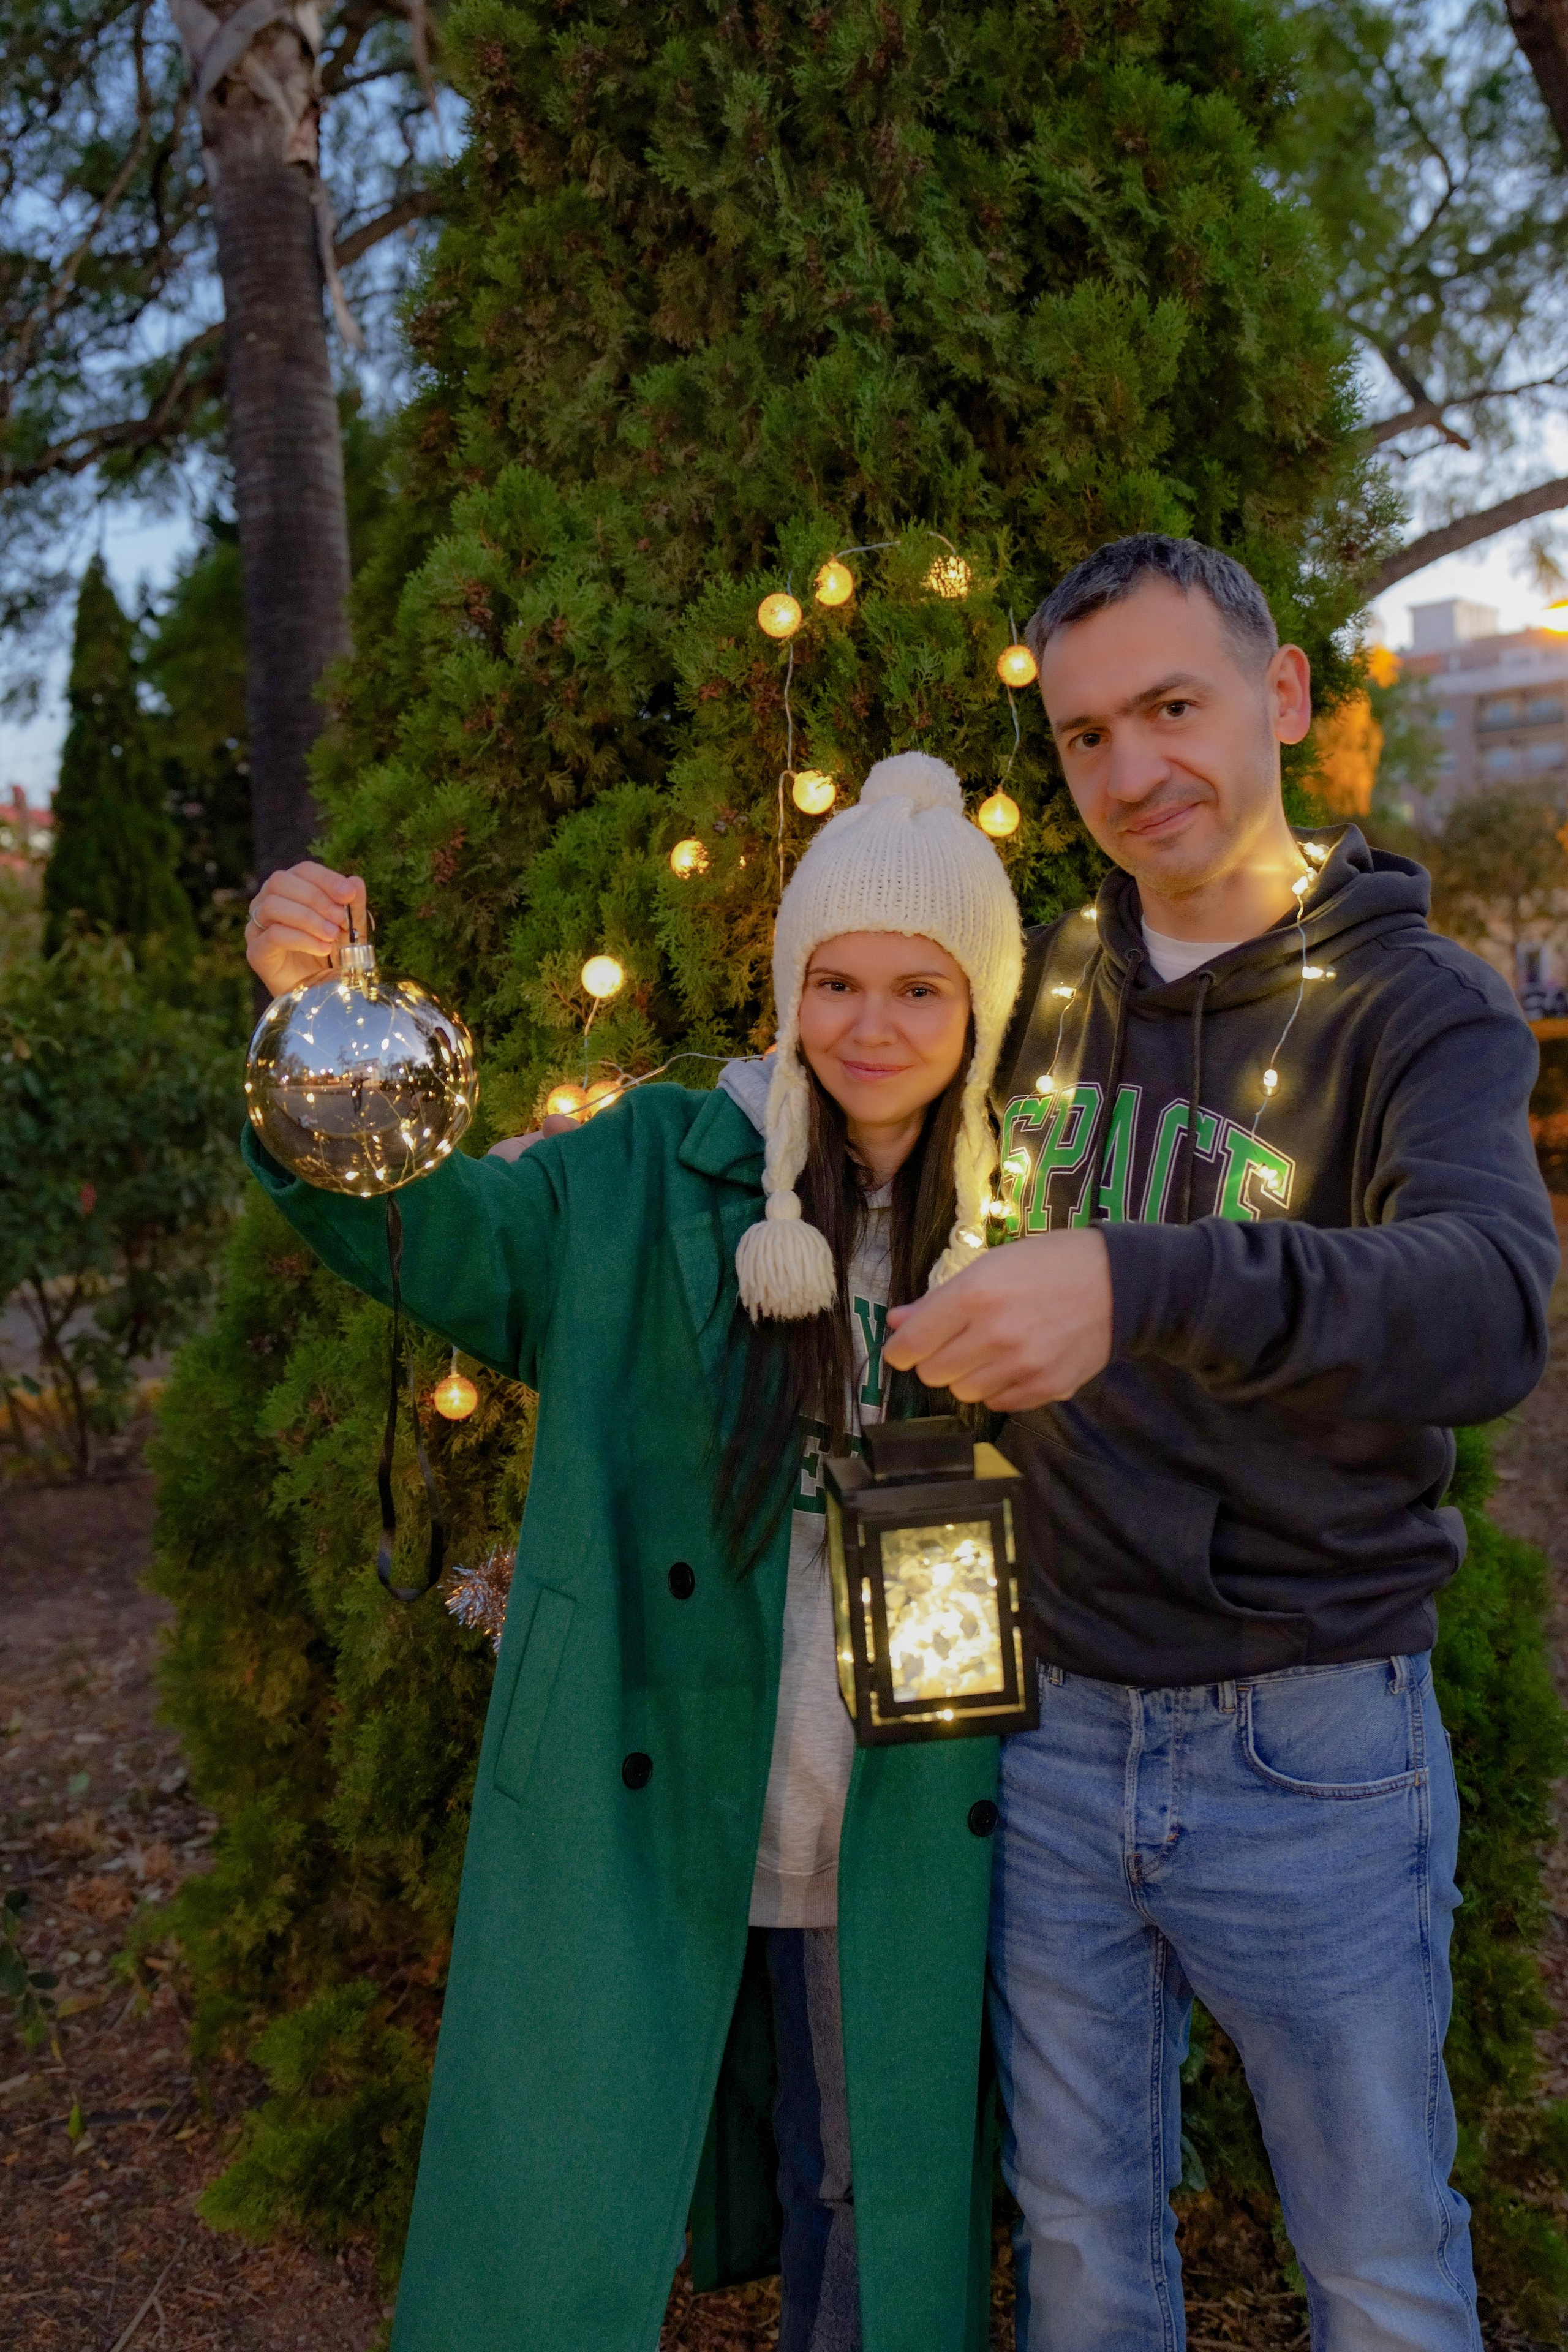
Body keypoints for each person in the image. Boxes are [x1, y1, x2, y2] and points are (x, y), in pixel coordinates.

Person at [241, 753, 1023, 2352]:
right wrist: (311, 1033)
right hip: (653, 1776)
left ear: (980, 1008)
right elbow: (444, 1235)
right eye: (836, 982)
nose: (871, 1027)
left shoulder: (1023, 1214)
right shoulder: (653, 1162)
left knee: (869, 2193)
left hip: (901, 1806)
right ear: (790, 988)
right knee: (572, 2184)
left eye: (921, 989)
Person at [884, 534, 1559, 2352]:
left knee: (1380, 2265)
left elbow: (1493, 1304)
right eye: (1086, 735)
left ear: (1281, 697)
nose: (1131, 771)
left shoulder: (1423, 1007)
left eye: (1171, 707)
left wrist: (1143, 1278)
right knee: (1081, 2249)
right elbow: (850, 1085)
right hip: (1047, 1731)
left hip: (1311, 1740)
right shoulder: (1040, 983)